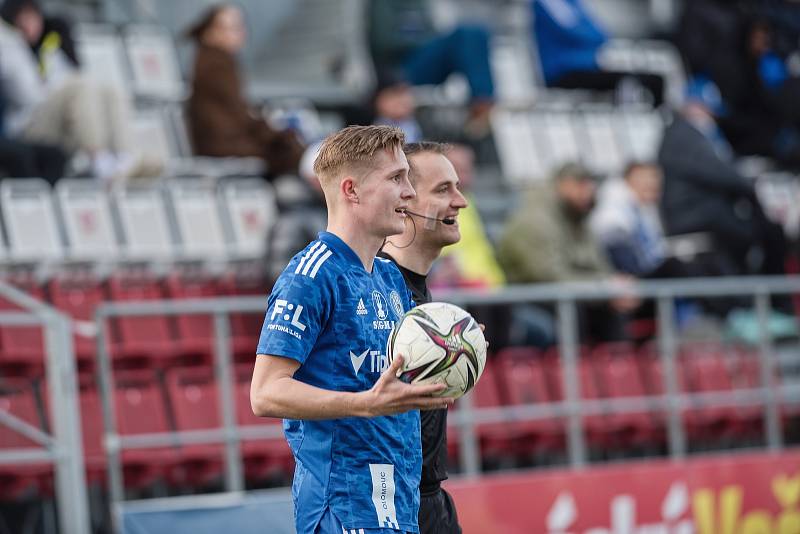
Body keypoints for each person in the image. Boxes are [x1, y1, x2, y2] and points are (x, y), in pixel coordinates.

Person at [251, 125, 453, 534]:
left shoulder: (389, 277)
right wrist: (363, 403)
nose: (409, 193)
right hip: (343, 503)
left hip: (399, 499)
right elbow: (266, 392)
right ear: (351, 190)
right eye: (397, 178)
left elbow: (390, 372)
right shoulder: (311, 275)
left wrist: (451, 352)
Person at [379, 141, 468, 534]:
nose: (461, 201)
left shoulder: (418, 294)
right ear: (405, 201)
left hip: (431, 501)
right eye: (444, 189)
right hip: (387, 507)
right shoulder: (372, 291)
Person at [0, 0, 154, 181]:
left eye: (33, 17)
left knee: (110, 89)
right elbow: (29, 95)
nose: (30, 25)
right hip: (25, 125)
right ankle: (98, 159)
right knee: (79, 87)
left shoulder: (51, 42)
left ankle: (125, 155)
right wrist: (58, 90)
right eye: (23, 18)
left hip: (59, 122)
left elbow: (67, 76)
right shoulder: (9, 45)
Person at [658, 78, 787, 279]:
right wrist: (749, 183)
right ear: (692, 105)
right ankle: (757, 294)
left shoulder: (697, 134)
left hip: (706, 209)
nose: (712, 118)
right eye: (707, 110)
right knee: (753, 231)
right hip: (690, 213)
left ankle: (761, 292)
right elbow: (719, 172)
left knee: (764, 227)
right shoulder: (683, 134)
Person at [496, 162, 639, 343]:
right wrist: (602, 288)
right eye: (580, 184)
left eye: (589, 184)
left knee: (614, 306)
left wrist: (612, 286)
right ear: (561, 184)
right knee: (573, 306)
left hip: (567, 293)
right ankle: (572, 368)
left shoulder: (578, 216)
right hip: (526, 296)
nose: (588, 191)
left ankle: (617, 366)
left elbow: (599, 265)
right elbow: (548, 276)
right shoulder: (535, 219)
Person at [185, 4, 304, 178]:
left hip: (222, 141)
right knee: (290, 150)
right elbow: (239, 115)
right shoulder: (216, 65)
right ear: (210, 32)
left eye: (240, 26)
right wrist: (276, 134)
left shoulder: (212, 60)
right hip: (223, 145)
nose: (241, 33)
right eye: (233, 28)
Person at [367, 0, 495, 135]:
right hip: (398, 67)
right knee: (465, 33)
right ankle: (481, 105)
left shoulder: (419, 4)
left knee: (475, 32)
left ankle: (482, 101)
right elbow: (383, 42)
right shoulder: (381, 5)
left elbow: (431, 32)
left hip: (424, 59)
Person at [532, 0, 664, 106]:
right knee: (628, 80)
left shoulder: (572, 3)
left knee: (654, 80)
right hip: (561, 71)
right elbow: (578, 31)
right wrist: (595, 37)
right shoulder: (550, 3)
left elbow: (595, 30)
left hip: (586, 66)